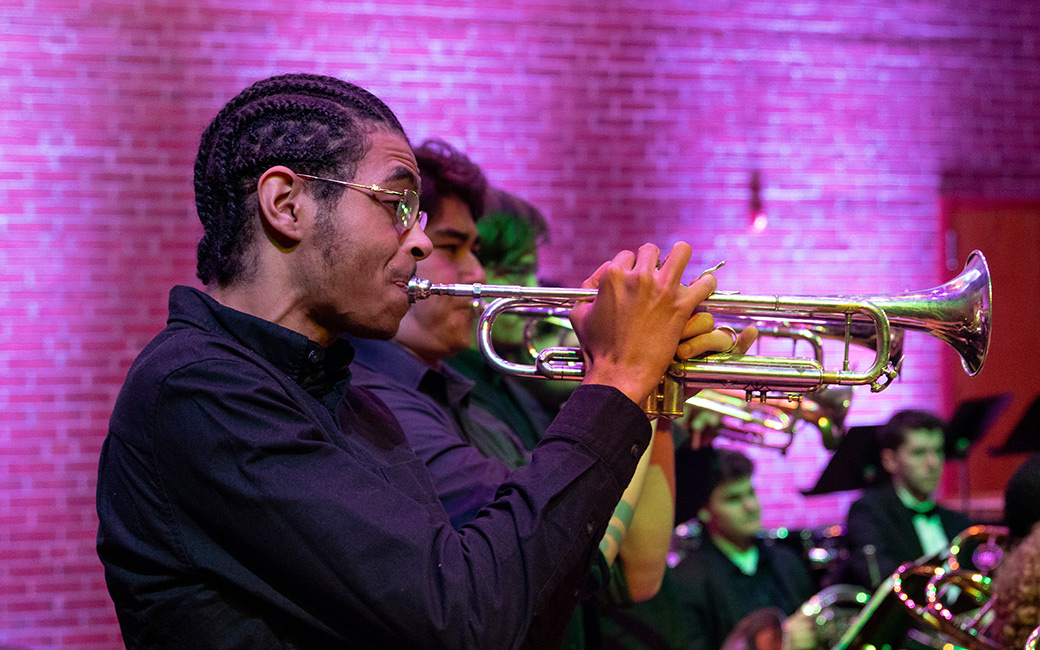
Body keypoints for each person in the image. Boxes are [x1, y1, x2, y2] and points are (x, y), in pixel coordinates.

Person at [95, 72, 737, 649]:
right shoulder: (198, 389)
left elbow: (518, 615)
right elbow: (463, 619)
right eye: (396, 204)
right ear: (287, 205)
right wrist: (618, 376)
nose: (422, 240)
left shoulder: (354, 404)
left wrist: (638, 387)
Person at [348, 148, 696, 646]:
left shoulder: (472, 405)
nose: (478, 274)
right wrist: (628, 372)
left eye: (476, 251)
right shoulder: (373, 404)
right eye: (454, 247)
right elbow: (550, 552)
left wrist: (657, 389)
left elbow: (636, 574)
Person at [670, 448, 815, 650]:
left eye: (751, 493)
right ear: (704, 511)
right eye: (734, 499)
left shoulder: (786, 561)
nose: (750, 506)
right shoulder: (687, 581)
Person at [839, 409, 971, 589]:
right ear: (890, 460)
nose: (933, 463)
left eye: (938, 451)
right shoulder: (869, 513)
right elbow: (880, 583)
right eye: (919, 453)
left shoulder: (958, 522)